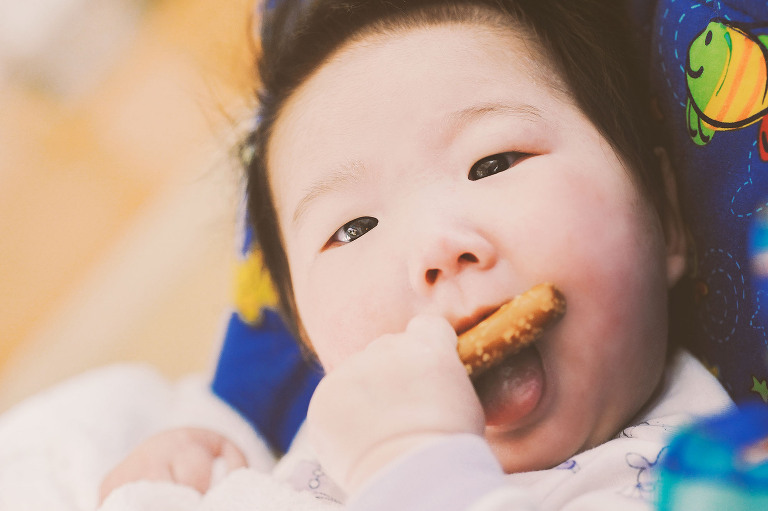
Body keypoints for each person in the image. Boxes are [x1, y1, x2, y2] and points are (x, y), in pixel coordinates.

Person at [99, 0, 735, 509]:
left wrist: (414, 471)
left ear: (666, 216)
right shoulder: (317, 444)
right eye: (353, 228)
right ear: (310, 343)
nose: (437, 248)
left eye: (493, 163)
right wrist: (178, 478)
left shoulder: (709, 476)